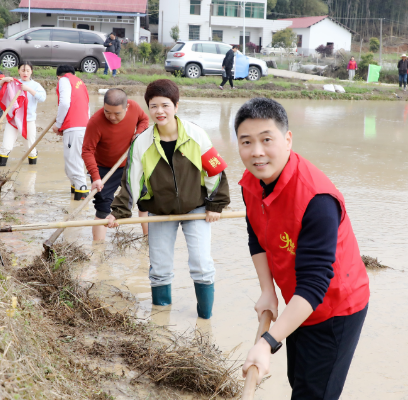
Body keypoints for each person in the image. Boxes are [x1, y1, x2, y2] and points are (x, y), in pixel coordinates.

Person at [237, 97, 369, 399]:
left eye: (266, 140)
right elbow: (255, 235)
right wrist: (267, 290)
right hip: (297, 302)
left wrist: (266, 342)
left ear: (287, 140)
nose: (256, 152)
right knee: (300, 379)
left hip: (335, 308)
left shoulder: (317, 200)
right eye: (246, 142)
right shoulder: (251, 183)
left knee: (313, 393)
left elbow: (314, 285)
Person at [106, 79, 230, 319]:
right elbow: (130, 181)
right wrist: (118, 212)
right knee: (160, 269)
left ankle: (205, 320)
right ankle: (160, 323)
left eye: (165, 105)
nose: (159, 111)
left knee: (202, 265)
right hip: (160, 211)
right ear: (148, 108)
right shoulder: (141, 142)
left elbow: (215, 170)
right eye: (153, 106)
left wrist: (216, 204)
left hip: (197, 208)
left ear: (176, 105)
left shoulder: (196, 135)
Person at [82, 89, 150, 241]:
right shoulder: (95, 122)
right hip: (104, 169)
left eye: (117, 113)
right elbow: (87, 151)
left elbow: (144, 120)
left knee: (144, 200)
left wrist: (138, 134)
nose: (112, 117)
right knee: (102, 207)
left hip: (131, 164)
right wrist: (95, 177)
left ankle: (148, 240)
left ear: (127, 107)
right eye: (108, 112)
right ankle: (98, 250)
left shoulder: (135, 108)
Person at [0, 61, 47, 167]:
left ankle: (32, 175)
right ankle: (1, 170)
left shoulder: (36, 85)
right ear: (18, 71)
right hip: (13, 119)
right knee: (6, 147)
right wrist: (3, 80)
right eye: (23, 70)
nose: (25, 73)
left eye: (27, 70)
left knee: (30, 148)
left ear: (31, 71)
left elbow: (42, 98)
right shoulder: (13, 83)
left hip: (28, 120)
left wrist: (28, 90)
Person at [53, 65, 91, 200]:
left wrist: (58, 125)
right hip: (84, 126)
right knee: (75, 160)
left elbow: (64, 103)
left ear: (59, 76)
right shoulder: (81, 83)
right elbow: (87, 106)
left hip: (74, 127)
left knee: (74, 162)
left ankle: (82, 193)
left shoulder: (64, 80)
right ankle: (75, 189)